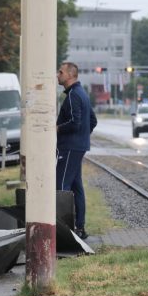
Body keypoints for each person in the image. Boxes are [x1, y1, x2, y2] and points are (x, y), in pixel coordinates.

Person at [56, 62, 97, 239]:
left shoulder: (73, 95)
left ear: (71, 75)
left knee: (61, 187)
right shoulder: (82, 94)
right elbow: (93, 120)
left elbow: (75, 122)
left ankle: (64, 231)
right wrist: (82, 138)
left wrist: (57, 129)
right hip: (77, 147)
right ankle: (79, 228)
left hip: (70, 148)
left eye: (61, 72)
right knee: (76, 187)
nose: (58, 75)